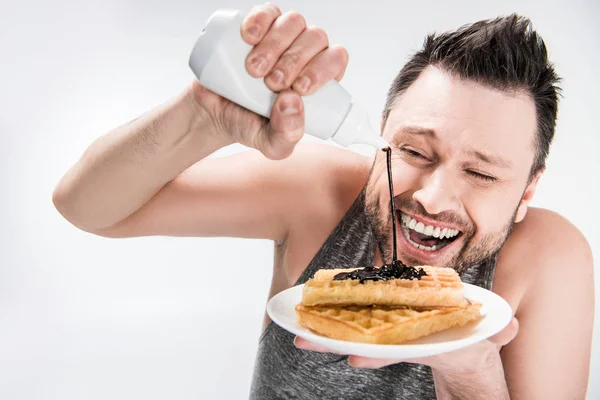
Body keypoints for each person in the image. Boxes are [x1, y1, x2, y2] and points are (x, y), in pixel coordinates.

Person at [52, 3, 594, 399]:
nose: (433, 197)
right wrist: (203, 119)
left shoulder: (549, 259)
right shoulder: (320, 190)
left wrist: (470, 373)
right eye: (413, 151)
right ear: (380, 135)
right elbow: (86, 206)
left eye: (480, 172)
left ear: (526, 190)